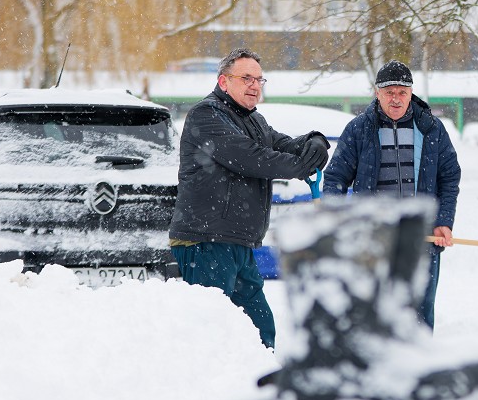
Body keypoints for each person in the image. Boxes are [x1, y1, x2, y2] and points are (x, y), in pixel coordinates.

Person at [169, 48, 330, 349]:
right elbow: (250, 158)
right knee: (213, 335)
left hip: (238, 244)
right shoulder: (206, 115)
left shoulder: (255, 120)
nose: (255, 85)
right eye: (246, 78)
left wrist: (316, 142)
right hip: (205, 243)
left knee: (261, 330)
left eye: (259, 79)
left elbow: (286, 145)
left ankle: (258, 376)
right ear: (223, 81)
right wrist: (300, 166)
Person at [323, 60, 461, 329]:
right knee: (375, 314)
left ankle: (419, 355)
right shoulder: (359, 129)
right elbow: (335, 178)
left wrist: (444, 220)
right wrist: (337, 219)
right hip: (374, 239)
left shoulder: (431, 129)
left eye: (402, 92)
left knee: (420, 313)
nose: (396, 99)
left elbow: (449, 177)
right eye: (389, 92)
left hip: (421, 237)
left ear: (411, 93)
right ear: (377, 93)